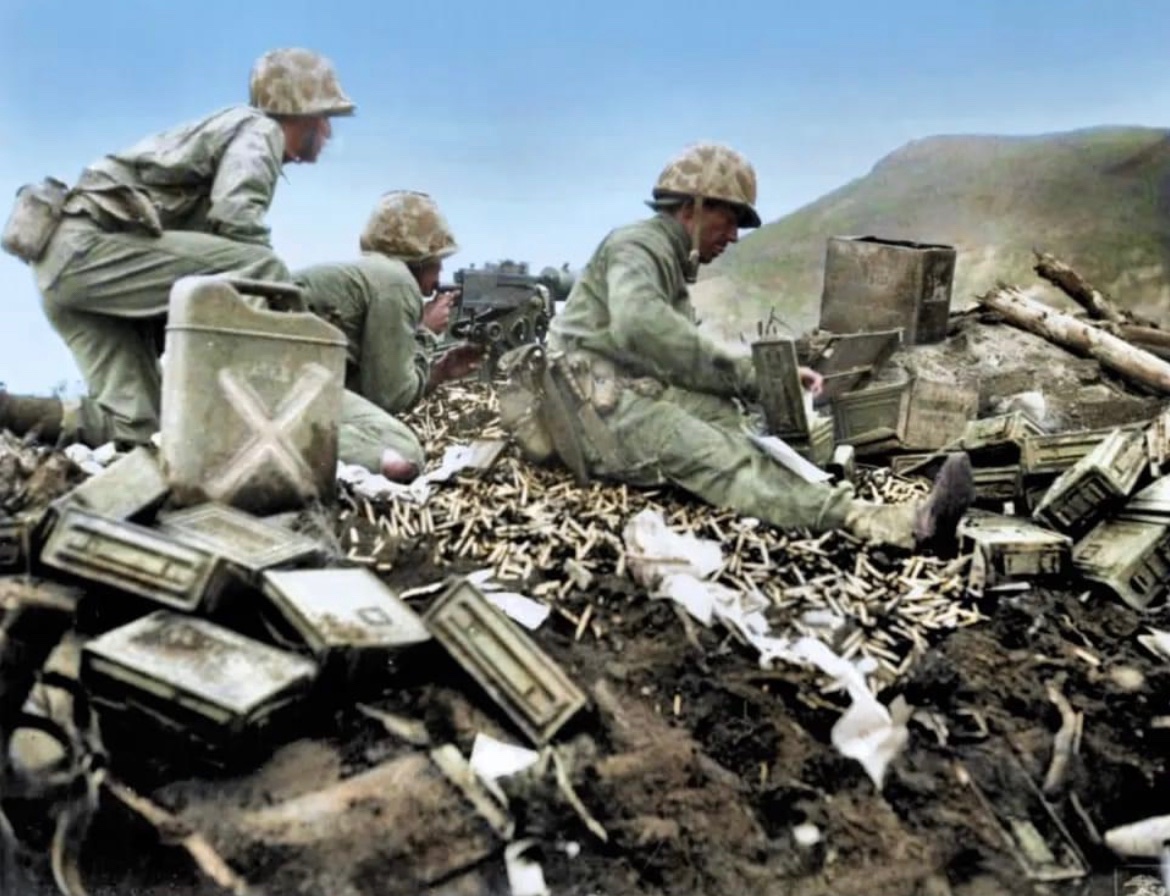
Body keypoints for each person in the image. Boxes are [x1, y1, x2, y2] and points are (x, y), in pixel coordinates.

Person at [498, 141, 975, 551]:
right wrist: (749, 376)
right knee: (722, 459)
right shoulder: (637, 246)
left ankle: (797, 486)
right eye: (728, 222)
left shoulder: (663, 259)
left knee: (732, 422)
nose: (733, 237)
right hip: (595, 418)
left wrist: (768, 382)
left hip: (619, 397)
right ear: (693, 208)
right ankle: (892, 524)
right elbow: (640, 325)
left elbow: (671, 351)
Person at [0, 47, 355, 449]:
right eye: (326, 117)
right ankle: (270, 415)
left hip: (64, 271)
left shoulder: (238, 131)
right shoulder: (260, 130)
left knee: (134, 423)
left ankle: (7, 410)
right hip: (89, 249)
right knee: (260, 267)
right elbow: (236, 217)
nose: (328, 132)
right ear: (303, 112)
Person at [293, 190, 484, 481]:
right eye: (438, 259)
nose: (441, 270)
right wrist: (426, 332)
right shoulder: (396, 282)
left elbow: (366, 391)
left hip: (279, 377)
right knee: (403, 451)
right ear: (420, 256)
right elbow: (390, 398)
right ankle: (284, 439)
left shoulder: (372, 275)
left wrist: (439, 373)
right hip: (285, 383)